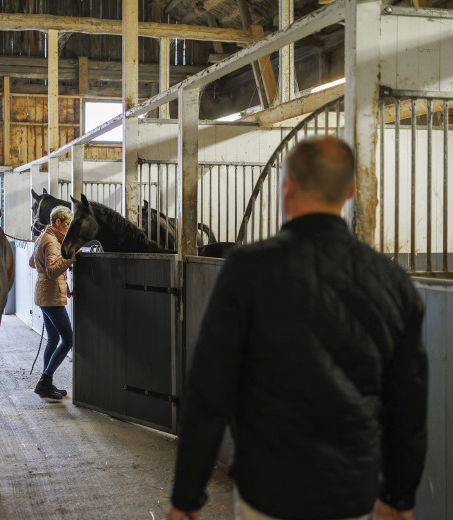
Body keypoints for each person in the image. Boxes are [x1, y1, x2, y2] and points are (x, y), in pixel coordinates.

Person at [167, 136, 427, 520]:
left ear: (286, 187)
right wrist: (400, 496)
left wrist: (187, 496)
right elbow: (408, 404)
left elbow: (209, 391)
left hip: (268, 490)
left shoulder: (246, 270)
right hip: (351, 491)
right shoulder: (392, 282)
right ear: (351, 190)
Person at [29, 205, 75, 401]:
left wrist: (63, 284)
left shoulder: (43, 237)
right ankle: (45, 381)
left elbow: (32, 262)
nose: (67, 228)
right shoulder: (53, 241)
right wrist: (72, 257)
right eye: (66, 224)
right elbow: (52, 270)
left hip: (44, 294)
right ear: (57, 222)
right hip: (51, 298)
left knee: (54, 339)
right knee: (68, 340)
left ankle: (47, 383)